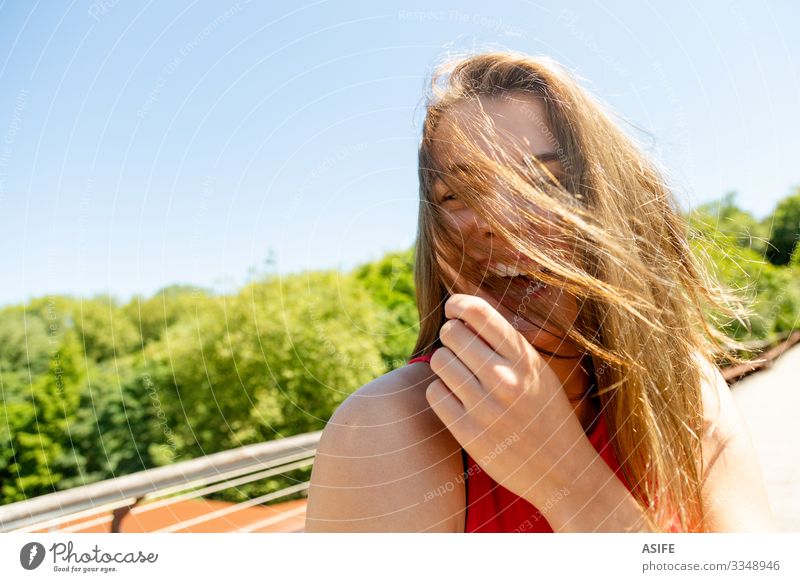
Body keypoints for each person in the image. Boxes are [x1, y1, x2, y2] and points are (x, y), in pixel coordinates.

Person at [304, 49, 775, 532]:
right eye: (458, 195)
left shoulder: (684, 385)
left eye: (544, 182)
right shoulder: (388, 429)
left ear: (616, 205)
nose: (500, 223)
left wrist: (568, 478)